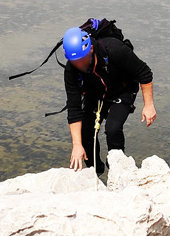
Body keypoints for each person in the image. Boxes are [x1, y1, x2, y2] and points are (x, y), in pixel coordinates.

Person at [61, 26, 156, 173]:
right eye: (74, 61)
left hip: (122, 91)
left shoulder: (114, 49)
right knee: (86, 135)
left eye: (82, 59)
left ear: (91, 49)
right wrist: (77, 145)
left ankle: (117, 170)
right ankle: (95, 172)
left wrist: (148, 105)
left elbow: (144, 73)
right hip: (95, 95)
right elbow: (74, 108)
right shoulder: (71, 70)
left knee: (113, 129)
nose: (79, 64)